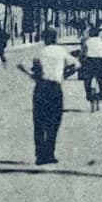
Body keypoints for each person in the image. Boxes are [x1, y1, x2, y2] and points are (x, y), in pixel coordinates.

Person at [20, 26, 77, 165]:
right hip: (55, 87)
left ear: (44, 38)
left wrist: (29, 73)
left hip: (41, 87)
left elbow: (30, 68)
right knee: (54, 120)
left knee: (39, 122)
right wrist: (64, 75)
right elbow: (76, 65)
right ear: (56, 38)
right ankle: (50, 153)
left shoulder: (40, 52)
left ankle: (40, 155)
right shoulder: (61, 51)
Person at [79, 26, 102, 112]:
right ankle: (101, 93)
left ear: (90, 34)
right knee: (101, 79)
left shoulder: (86, 42)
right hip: (99, 62)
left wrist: (80, 60)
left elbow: (82, 53)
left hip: (89, 62)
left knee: (87, 79)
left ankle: (88, 94)